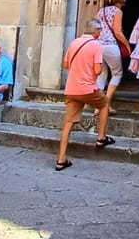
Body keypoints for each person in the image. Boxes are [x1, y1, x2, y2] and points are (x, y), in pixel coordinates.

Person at [56, 18, 115, 171]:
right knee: (104, 103)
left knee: (68, 124)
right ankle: (101, 137)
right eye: (100, 30)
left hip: (71, 89)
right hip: (88, 88)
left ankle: (61, 159)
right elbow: (97, 71)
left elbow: (66, 65)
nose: (100, 33)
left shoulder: (74, 43)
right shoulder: (96, 45)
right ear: (96, 31)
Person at [95, 0, 132, 115]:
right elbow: (117, 31)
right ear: (120, 0)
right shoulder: (117, 12)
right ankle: (105, 104)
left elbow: (96, 28)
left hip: (99, 45)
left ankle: (97, 106)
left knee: (102, 74)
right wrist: (127, 44)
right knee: (117, 74)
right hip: (111, 46)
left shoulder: (101, 11)